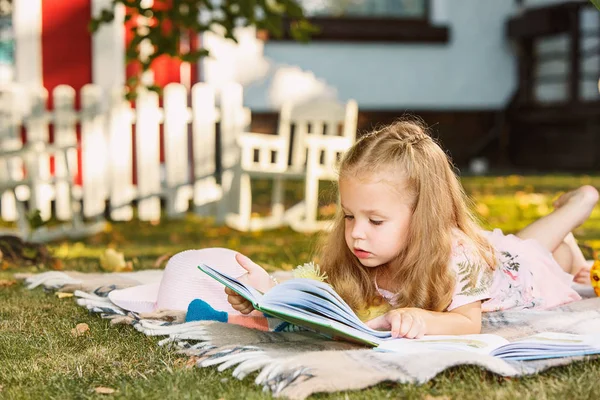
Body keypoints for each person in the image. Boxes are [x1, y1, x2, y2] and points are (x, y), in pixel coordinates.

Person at [225, 118, 598, 339]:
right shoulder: (365, 249)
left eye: (375, 220)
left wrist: (424, 319)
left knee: (535, 253)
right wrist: (267, 295)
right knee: (522, 244)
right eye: (349, 215)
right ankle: (567, 239)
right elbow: (322, 300)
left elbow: (468, 323)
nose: (356, 232)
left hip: (519, 274)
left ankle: (581, 202)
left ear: (422, 216)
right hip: (494, 256)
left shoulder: (456, 254)